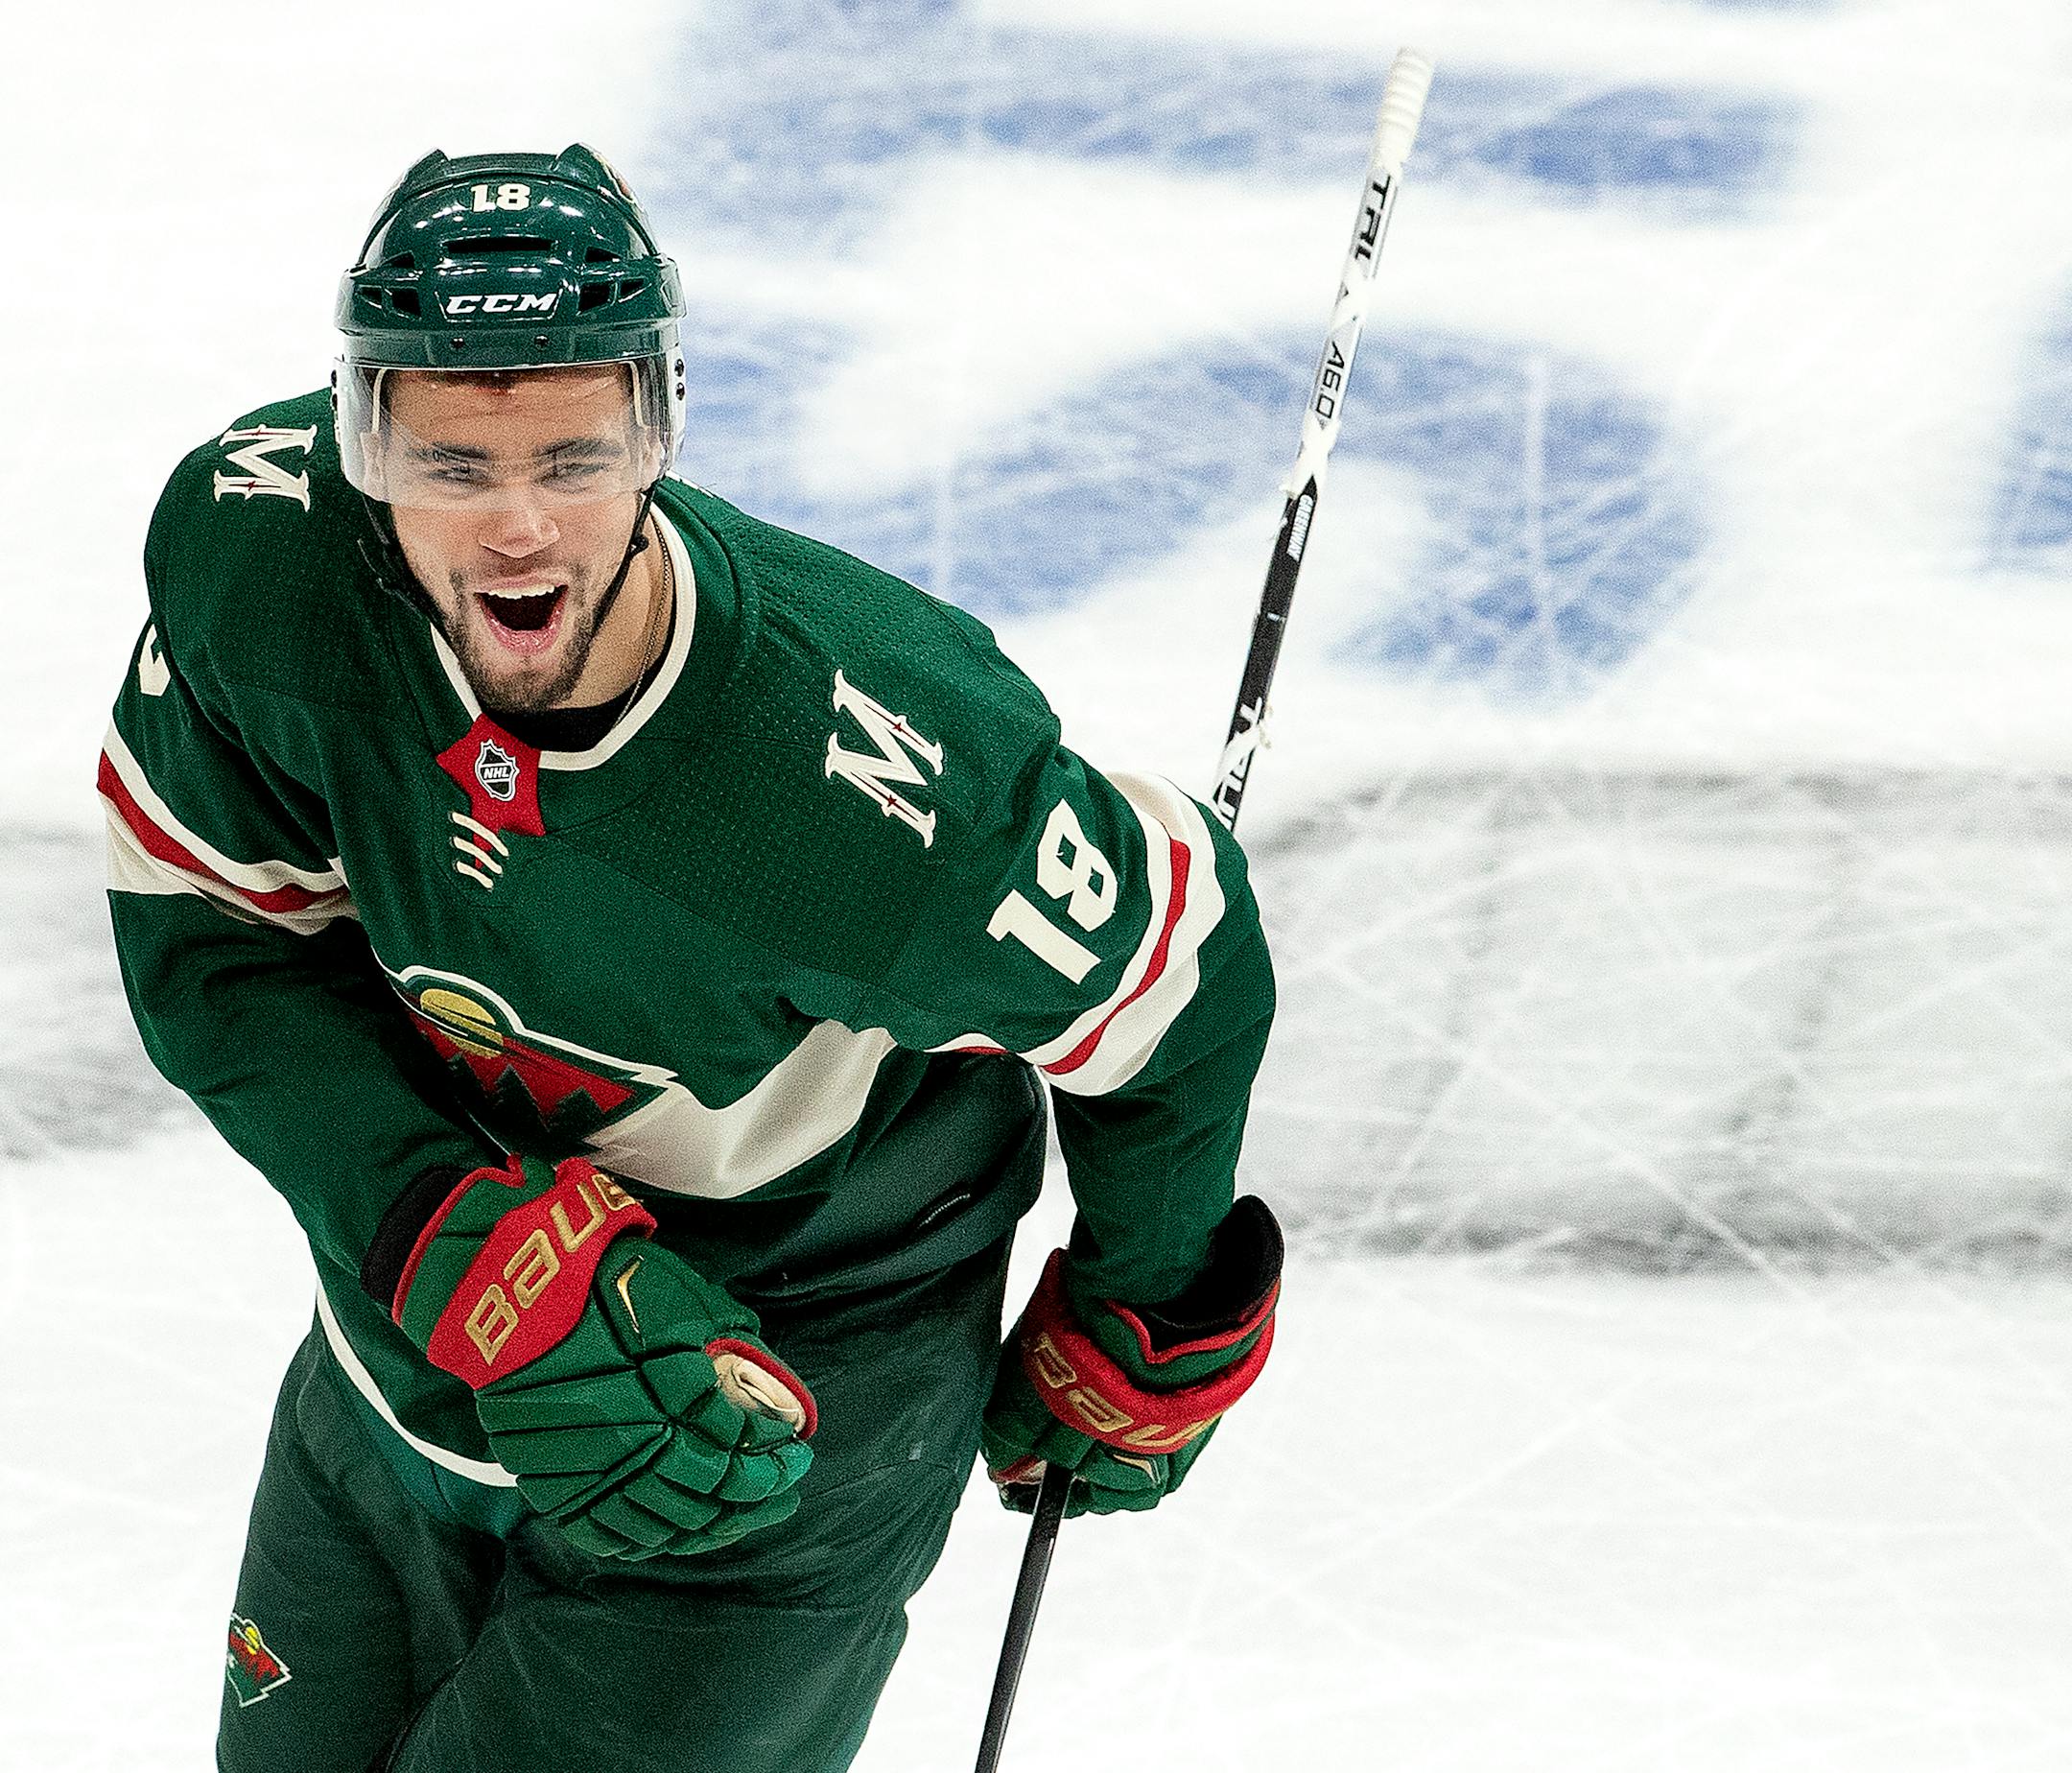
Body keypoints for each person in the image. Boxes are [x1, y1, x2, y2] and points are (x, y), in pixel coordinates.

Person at [102, 143, 1281, 1773]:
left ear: (659, 428)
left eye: (574, 456)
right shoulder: (263, 563)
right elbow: (216, 935)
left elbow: (1181, 981)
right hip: (409, 1365)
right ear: (362, 443)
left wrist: (1151, 1297)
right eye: (449, 464)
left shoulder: (881, 786)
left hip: (796, 1402)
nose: (516, 528)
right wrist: (434, 1221)